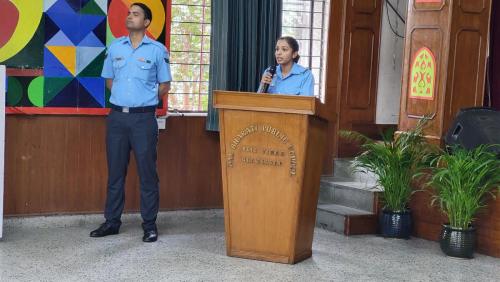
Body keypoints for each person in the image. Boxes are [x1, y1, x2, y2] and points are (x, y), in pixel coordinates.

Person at [90, 3, 171, 243]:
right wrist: (125, 101)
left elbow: (164, 85)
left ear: (146, 22)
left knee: (147, 173)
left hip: (143, 119)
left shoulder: (157, 50)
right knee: (115, 173)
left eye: (136, 14)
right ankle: (112, 222)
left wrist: (143, 103)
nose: (129, 16)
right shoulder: (115, 47)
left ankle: (149, 225)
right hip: (117, 119)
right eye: (129, 13)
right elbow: (109, 81)